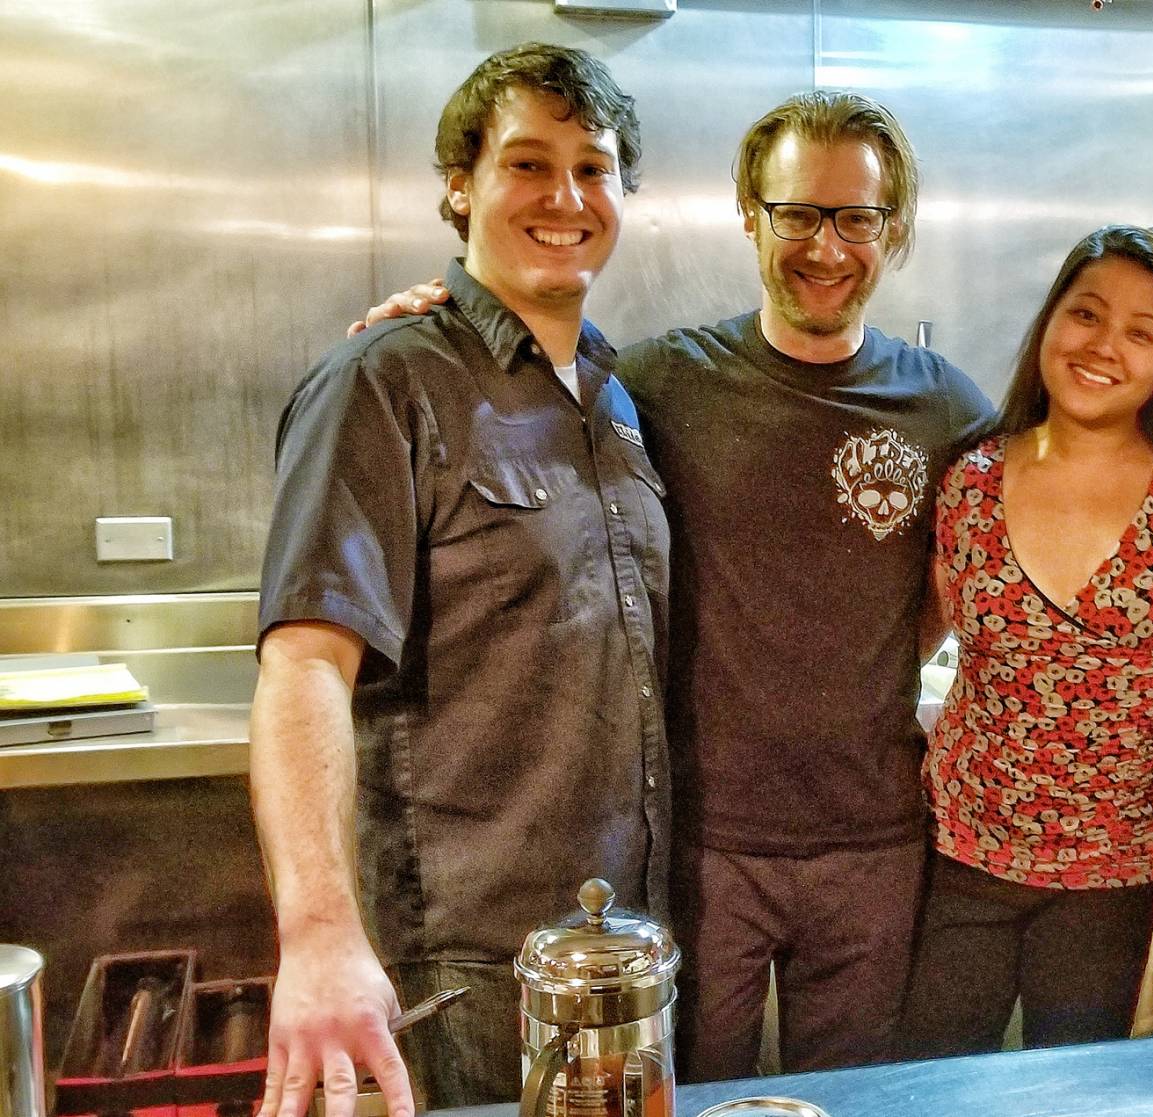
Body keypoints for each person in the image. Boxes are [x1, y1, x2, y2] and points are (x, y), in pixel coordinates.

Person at [353, 90, 993, 1079]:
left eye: (856, 217)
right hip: (697, 846)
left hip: (873, 842)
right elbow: (518, 384)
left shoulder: (947, 406)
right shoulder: (656, 383)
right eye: (797, 214)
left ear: (893, 226)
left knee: (854, 1096)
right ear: (751, 214)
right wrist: (441, 323)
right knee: (681, 1093)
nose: (826, 247)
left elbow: (977, 567)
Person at [250, 44, 667, 1117]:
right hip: (469, 964)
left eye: (593, 167)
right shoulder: (383, 379)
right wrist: (319, 933)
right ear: (460, 186)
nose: (565, 197)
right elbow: (304, 664)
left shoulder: (615, 399)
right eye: (527, 164)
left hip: (621, 947)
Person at [897, 226, 1153, 1056]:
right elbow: (913, 633)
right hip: (963, 855)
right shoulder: (970, 481)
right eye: (1086, 313)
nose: (1103, 345)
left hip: (1116, 874)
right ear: (1049, 321)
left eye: (1140, 332)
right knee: (931, 1091)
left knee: (1082, 1093)